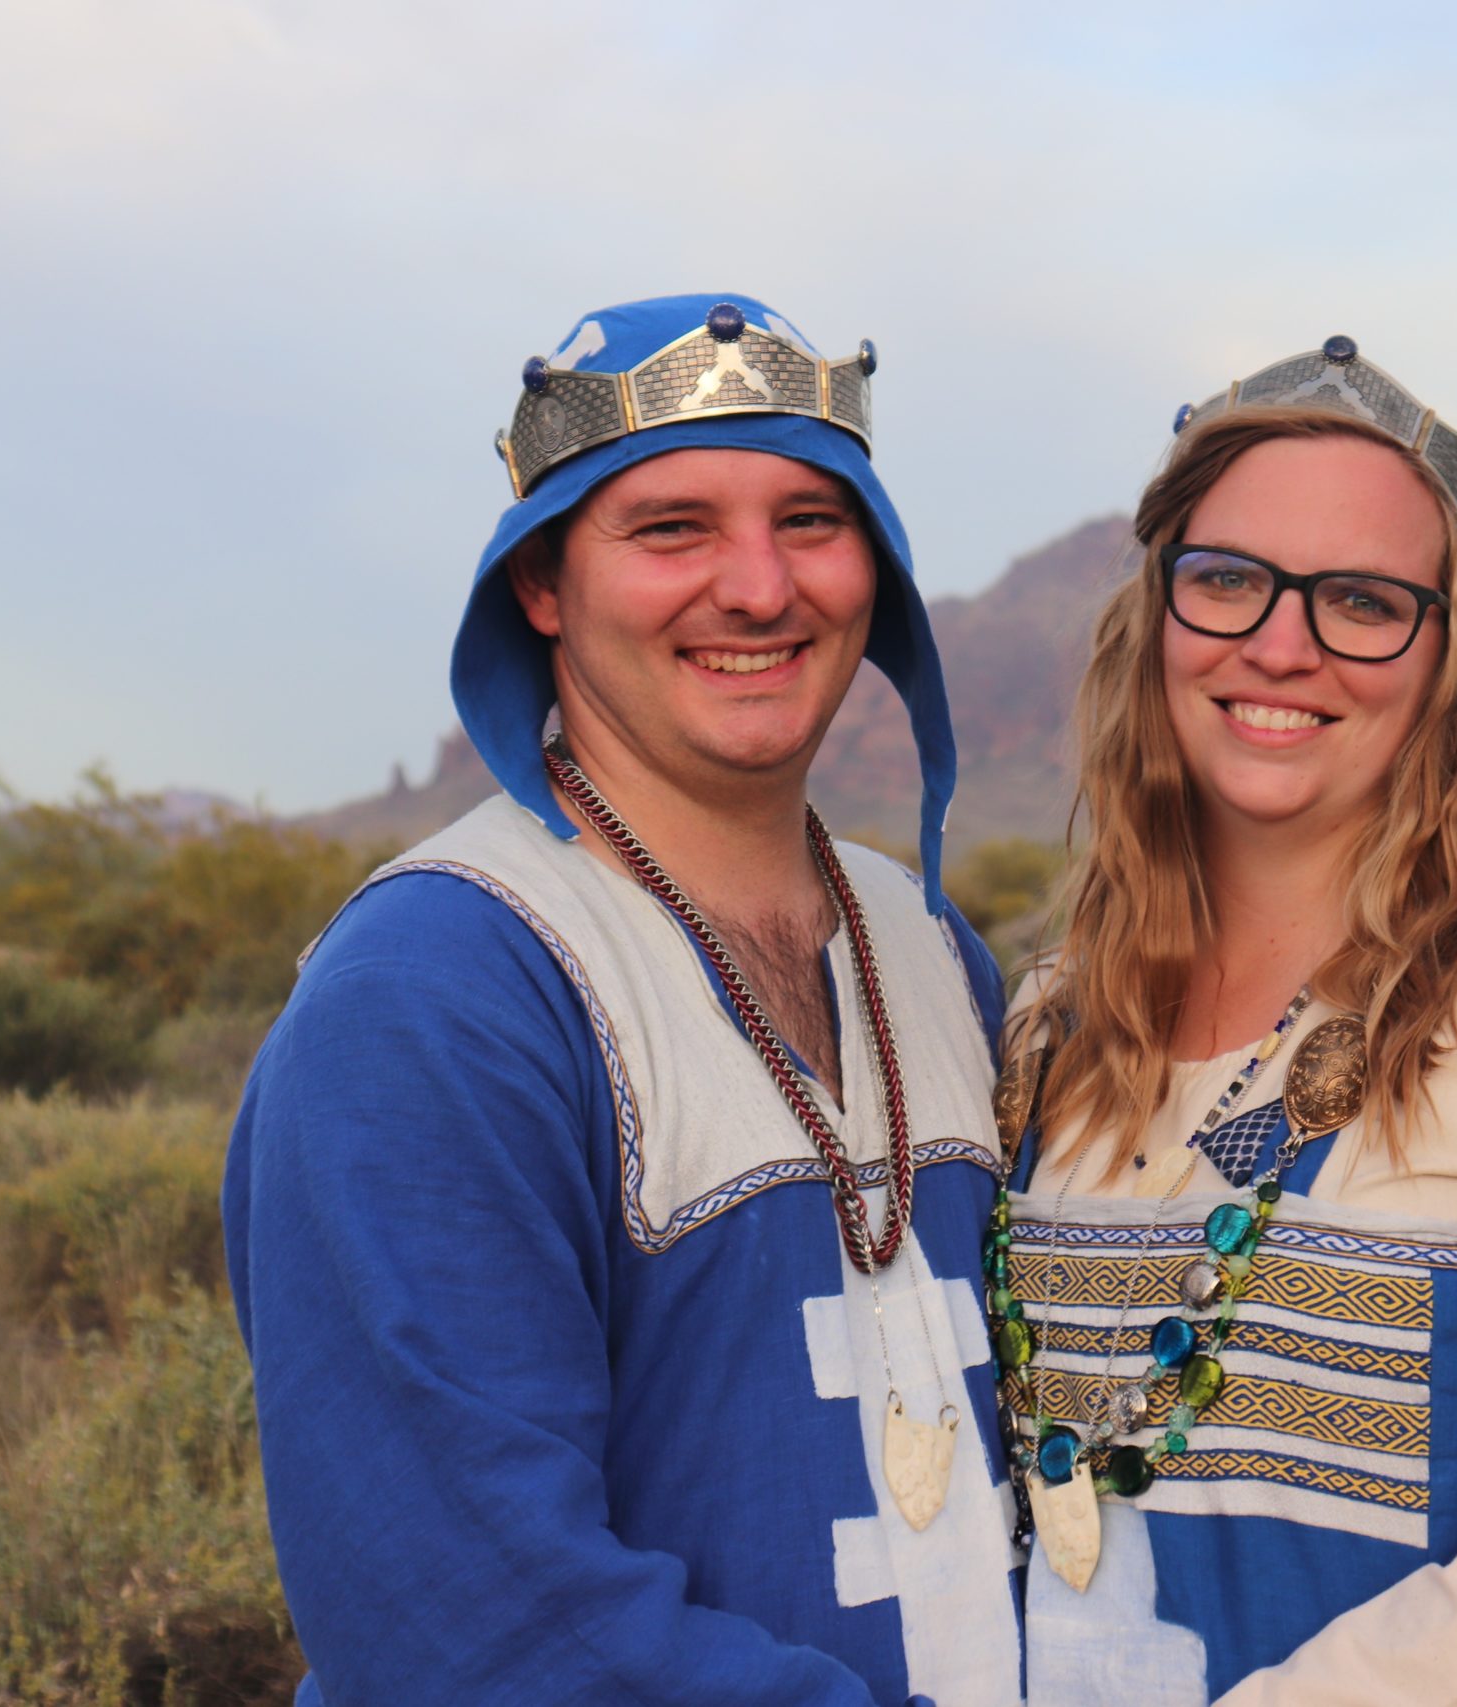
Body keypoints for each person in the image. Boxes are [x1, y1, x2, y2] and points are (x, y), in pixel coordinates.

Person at [224, 293, 1022, 1707]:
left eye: (811, 523)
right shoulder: (441, 992)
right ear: (542, 586)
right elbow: (475, 1634)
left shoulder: (932, 949)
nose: (760, 588)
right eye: (671, 530)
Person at [986, 339, 1457, 1705]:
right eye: (1226, 580)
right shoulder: (1056, 1023)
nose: (1280, 644)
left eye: (1361, 600)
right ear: (1156, 614)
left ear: (1444, 658)